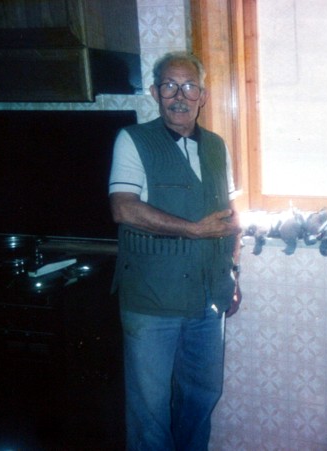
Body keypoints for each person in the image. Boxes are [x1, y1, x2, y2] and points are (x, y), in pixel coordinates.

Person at [108, 51, 242, 451]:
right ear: (154, 92)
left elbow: (230, 216)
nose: (179, 96)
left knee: (202, 396)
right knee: (150, 411)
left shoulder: (216, 146)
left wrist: (233, 274)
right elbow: (123, 208)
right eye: (169, 86)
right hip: (152, 300)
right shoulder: (133, 140)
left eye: (189, 87)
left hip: (208, 299)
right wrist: (194, 231)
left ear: (203, 95)